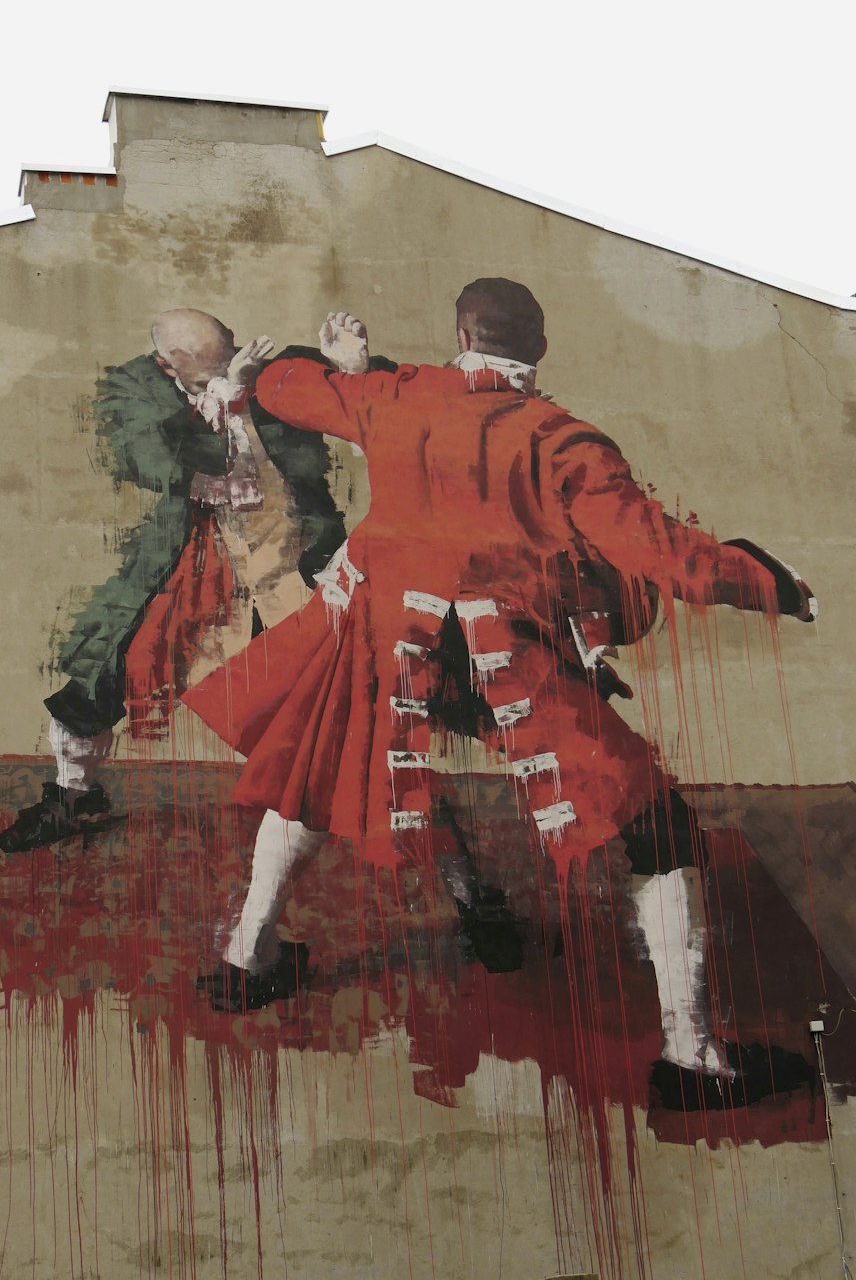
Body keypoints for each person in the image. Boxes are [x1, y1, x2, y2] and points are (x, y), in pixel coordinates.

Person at [186, 283, 818, 1110]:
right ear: (541, 348)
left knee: (320, 775)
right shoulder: (564, 440)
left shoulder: (395, 393)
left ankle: (246, 960)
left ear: (459, 335)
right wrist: (770, 583)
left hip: (392, 641)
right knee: (659, 829)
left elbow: (286, 390)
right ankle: (691, 1056)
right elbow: (665, 555)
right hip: (501, 655)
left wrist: (330, 365)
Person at [0, 308, 388, 854]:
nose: (226, 375)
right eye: (204, 378)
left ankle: (442, 862)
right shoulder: (135, 387)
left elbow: (385, 409)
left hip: (295, 562)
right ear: (165, 366)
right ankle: (73, 798)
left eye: (228, 361)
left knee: (366, 696)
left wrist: (354, 370)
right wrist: (227, 392)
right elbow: (150, 460)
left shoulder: (284, 367)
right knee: (102, 667)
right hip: (194, 563)